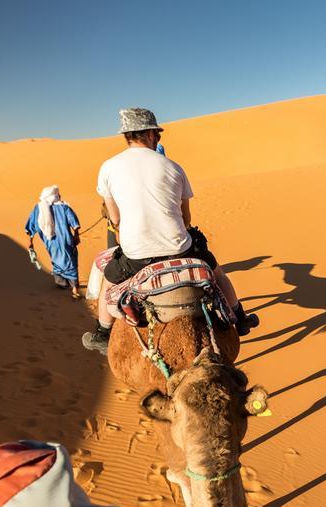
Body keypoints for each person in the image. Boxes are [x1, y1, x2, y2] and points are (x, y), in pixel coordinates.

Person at [82, 108, 258, 354]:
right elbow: (186, 218)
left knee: (108, 284)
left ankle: (102, 333)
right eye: (158, 135)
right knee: (218, 274)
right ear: (152, 134)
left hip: (135, 255)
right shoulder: (174, 167)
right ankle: (240, 319)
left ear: (127, 136)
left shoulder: (108, 168)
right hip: (180, 249)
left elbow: (115, 217)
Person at [24, 185, 81, 299]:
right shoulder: (64, 207)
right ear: (54, 196)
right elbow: (74, 222)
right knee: (70, 260)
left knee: (56, 259)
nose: (60, 196)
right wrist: (76, 235)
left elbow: (30, 227)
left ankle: (61, 283)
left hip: (50, 241)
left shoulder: (38, 208)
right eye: (58, 194)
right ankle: (74, 287)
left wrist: (30, 242)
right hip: (66, 240)